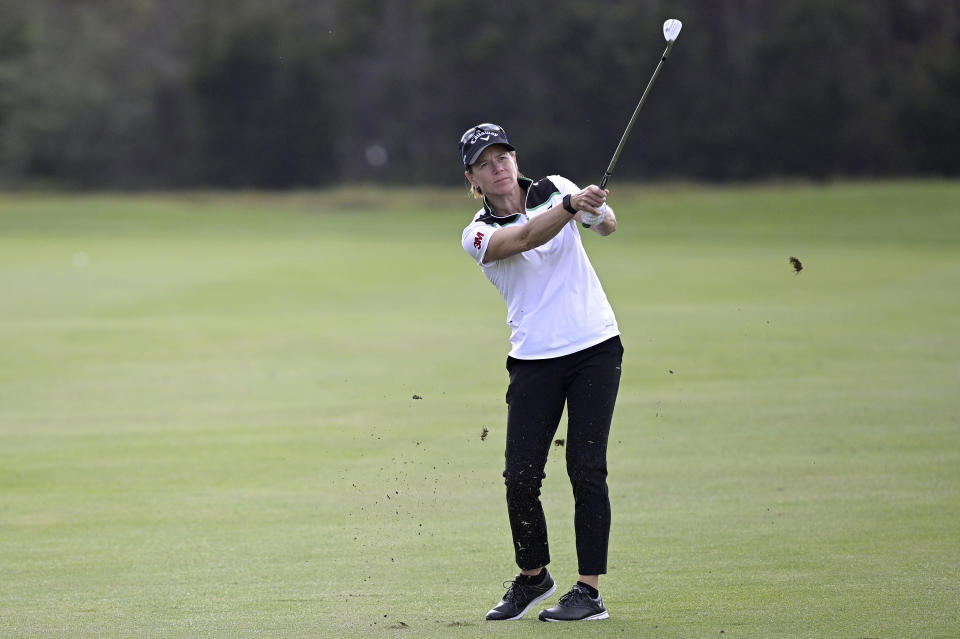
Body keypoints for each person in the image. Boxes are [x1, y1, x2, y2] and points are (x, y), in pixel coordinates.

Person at [458, 123, 624, 622]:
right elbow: (527, 237)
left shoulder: (556, 186)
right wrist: (572, 208)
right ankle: (534, 577)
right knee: (520, 478)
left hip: (595, 345)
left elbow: (608, 225)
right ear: (474, 179)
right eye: (486, 163)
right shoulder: (477, 234)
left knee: (585, 466)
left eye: (503, 155)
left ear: (514, 158)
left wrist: (592, 209)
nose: (499, 166)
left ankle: (589, 592)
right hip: (534, 360)